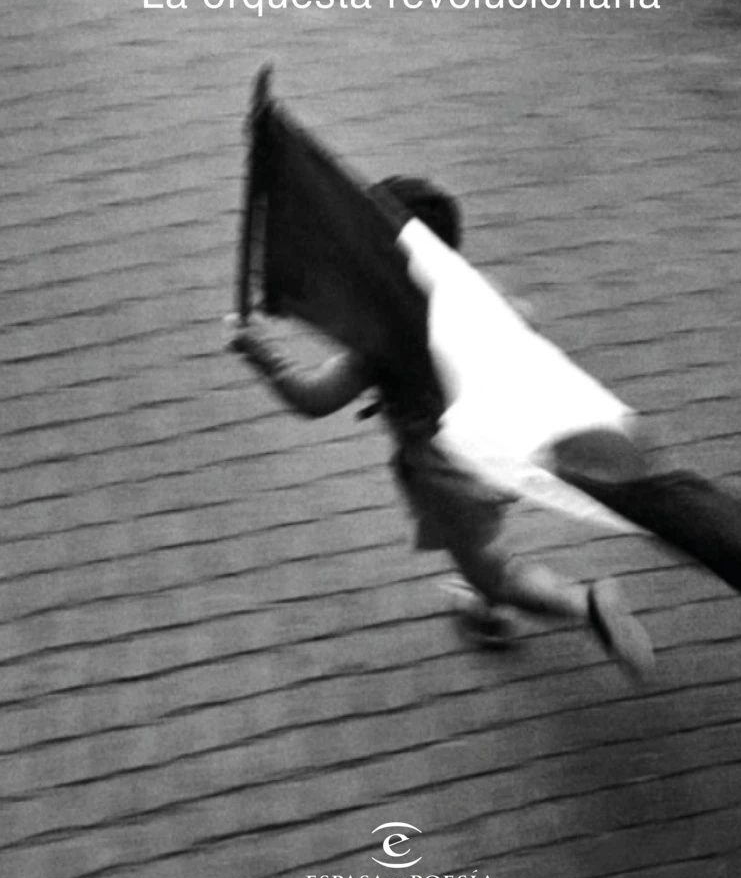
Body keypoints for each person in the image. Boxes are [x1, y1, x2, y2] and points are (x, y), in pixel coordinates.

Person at [225, 176, 654, 680]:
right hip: (500, 447)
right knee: (479, 544)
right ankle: (486, 614)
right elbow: (526, 321)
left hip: (446, 475)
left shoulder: (382, 341)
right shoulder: (473, 296)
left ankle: (584, 605)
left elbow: (314, 399)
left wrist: (260, 355)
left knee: (489, 569)